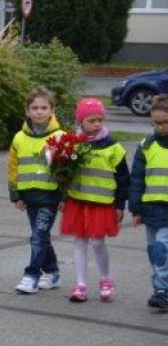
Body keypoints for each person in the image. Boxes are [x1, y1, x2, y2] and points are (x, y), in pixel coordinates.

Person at [61, 98, 128, 303]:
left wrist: (119, 204)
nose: (97, 124)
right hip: (78, 202)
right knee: (80, 242)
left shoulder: (113, 147)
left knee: (98, 242)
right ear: (80, 121)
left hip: (102, 203)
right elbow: (65, 174)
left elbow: (123, 178)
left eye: (100, 119)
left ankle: (105, 279)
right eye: (92, 120)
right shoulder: (74, 145)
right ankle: (81, 284)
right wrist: (63, 197)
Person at [8, 87, 64, 295]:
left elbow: (69, 171)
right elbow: (13, 167)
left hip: (50, 197)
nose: (39, 112)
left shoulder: (60, 137)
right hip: (28, 196)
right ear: (27, 110)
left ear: (52, 110)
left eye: (44, 107)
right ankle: (53, 271)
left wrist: (65, 196)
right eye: (35, 108)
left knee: (38, 237)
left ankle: (32, 275)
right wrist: (15, 193)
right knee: (40, 237)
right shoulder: (18, 138)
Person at [130, 95, 168, 311]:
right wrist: (135, 208)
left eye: (165, 122)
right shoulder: (146, 145)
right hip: (150, 208)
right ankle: (162, 288)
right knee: (153, 250)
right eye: (157, 123)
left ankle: (161, 290)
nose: (161, 127)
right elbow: (137, 179)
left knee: (162, 249)